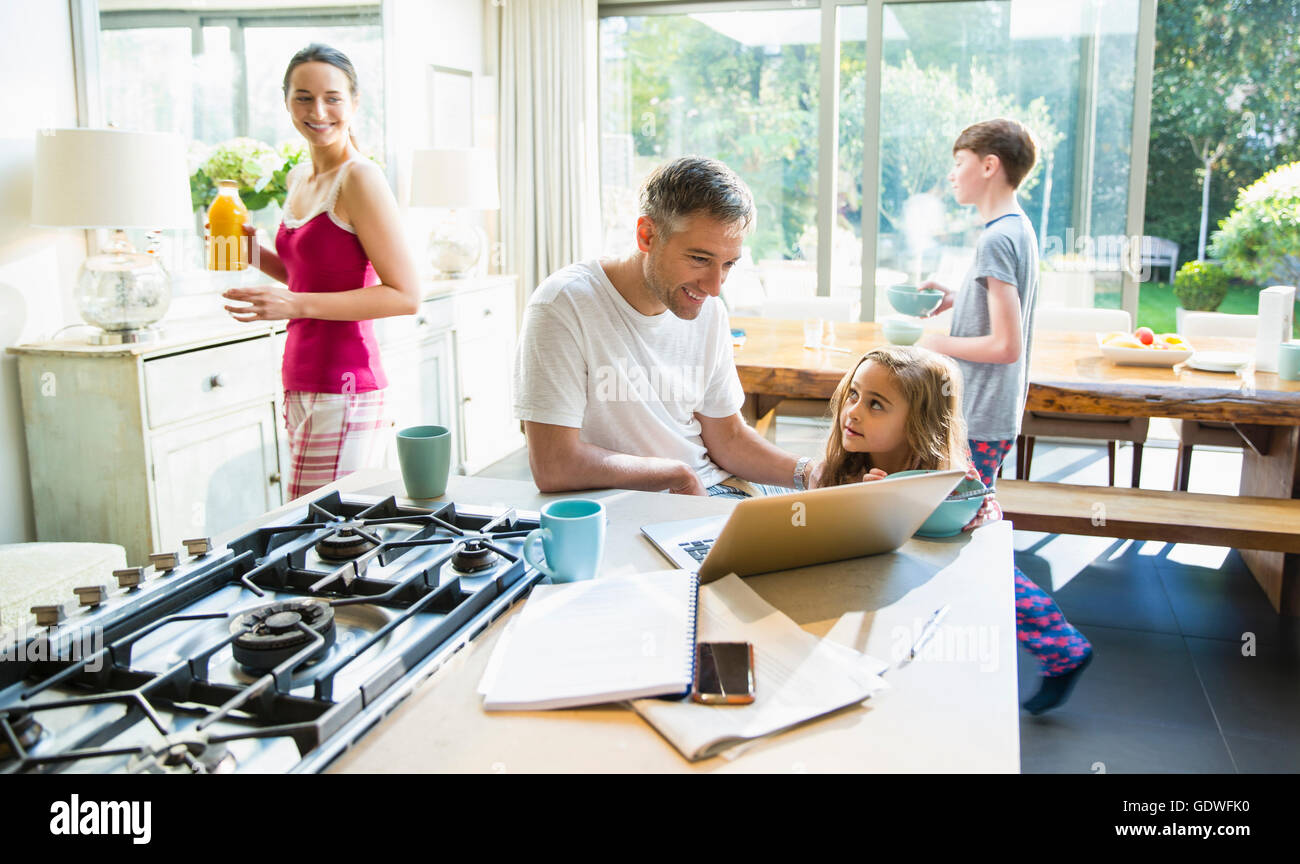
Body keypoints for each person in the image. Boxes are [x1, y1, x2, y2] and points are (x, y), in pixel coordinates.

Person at [916, 117, 1094, 712]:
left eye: (960, 160)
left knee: (967, 534)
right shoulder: (1012, 228)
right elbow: (996, 318)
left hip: (979, 414)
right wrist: (955, 296)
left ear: (989, 164)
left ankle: (1060, 645)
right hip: (991, 413)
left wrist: (935, 343)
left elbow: (1005, 345)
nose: (953, 172)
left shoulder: (997, 237)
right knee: (962, 528)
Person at [513, 156, 816, 498]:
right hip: (636, 501)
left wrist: (809, 472)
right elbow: (554, 464)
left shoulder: (709, 310)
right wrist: (673, 474)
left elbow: (728, 437)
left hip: (716, 487)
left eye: (728, 264)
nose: (715, 287)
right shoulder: (563, 305)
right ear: (647, 235)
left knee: (832, 530)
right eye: (699, 259)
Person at [812, 345, 1093, 714]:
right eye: (853, 394)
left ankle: (1063, 647)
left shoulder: (950, 483)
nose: (853, 412)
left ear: (917, 424)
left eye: (875, 404)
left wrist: (896, 502)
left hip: (931, 609)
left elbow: (977, 544)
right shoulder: (842, 467)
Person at [220, 44, 420, 499]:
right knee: (327, 533)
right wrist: (251, 250)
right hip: (300, 378)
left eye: (332, 97)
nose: (319, 110)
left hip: (345, 382)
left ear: (354, 102)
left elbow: (405, 295)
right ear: (286, 101)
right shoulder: (299, 180)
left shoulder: (360, 178)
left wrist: (293, 304)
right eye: (303, 97)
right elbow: (309, 280)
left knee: (316, 531)